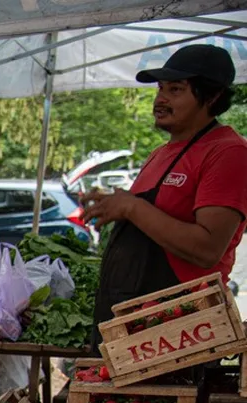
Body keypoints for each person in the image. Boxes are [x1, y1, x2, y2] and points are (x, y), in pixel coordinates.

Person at [85, 44, 247, 338]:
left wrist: (132, 207)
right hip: (132, 322)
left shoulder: (229, 152)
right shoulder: (160, 154)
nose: (160, 99)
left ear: (212, 96)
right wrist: (115, 204)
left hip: (181, 331)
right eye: (160, 89)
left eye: (175, 90)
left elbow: (207, 249)